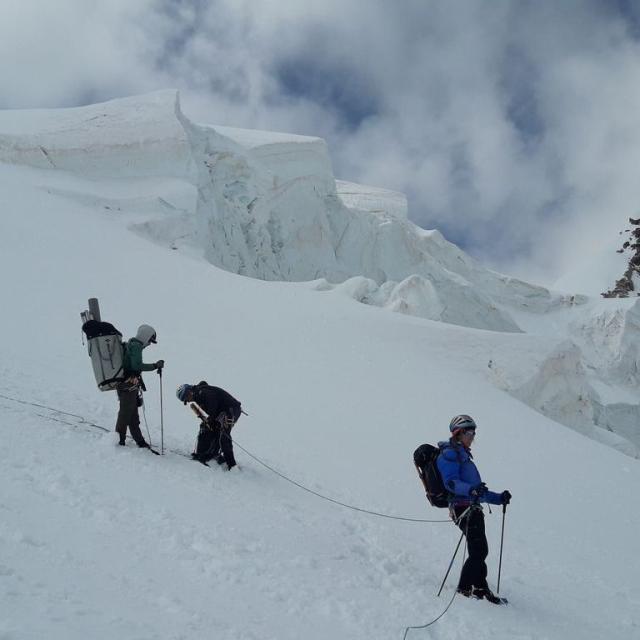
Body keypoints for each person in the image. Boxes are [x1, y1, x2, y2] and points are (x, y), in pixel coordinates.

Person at [437, 414, 512, 604]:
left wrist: (499, 498)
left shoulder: (463, 457)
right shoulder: (449, 455)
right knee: (479, 550)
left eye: (474, 432)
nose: (472, 436)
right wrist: (471, 489)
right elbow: (451, 483)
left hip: (472, 508)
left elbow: (478, 491)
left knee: (479, 550)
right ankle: (465, 589)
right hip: (463, 508)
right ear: (458, 433)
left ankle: (479, 588)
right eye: (469, 432)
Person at [115, 324, 164, 448]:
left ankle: (139, 441)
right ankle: (119, 440)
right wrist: (155, 366)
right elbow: (136, 366)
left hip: (127, 385)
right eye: (150, 340)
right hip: (128, 385)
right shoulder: (136, 346)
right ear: (146, 336)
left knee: (132, 414)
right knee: (126, 413)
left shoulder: (132, 344)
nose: (149, 344)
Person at [176, 381, 242, 470]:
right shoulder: (198, 394)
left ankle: (232, 465)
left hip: (231, 410)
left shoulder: (202, 392)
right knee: (208, 428)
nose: (188, 401)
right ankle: (207, 453)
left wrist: (212, 420)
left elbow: (213, 406)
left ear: (189, 392)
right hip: (222, 411)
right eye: (185, 401)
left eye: (186, 398)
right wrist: (211, 421)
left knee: (223, 434)